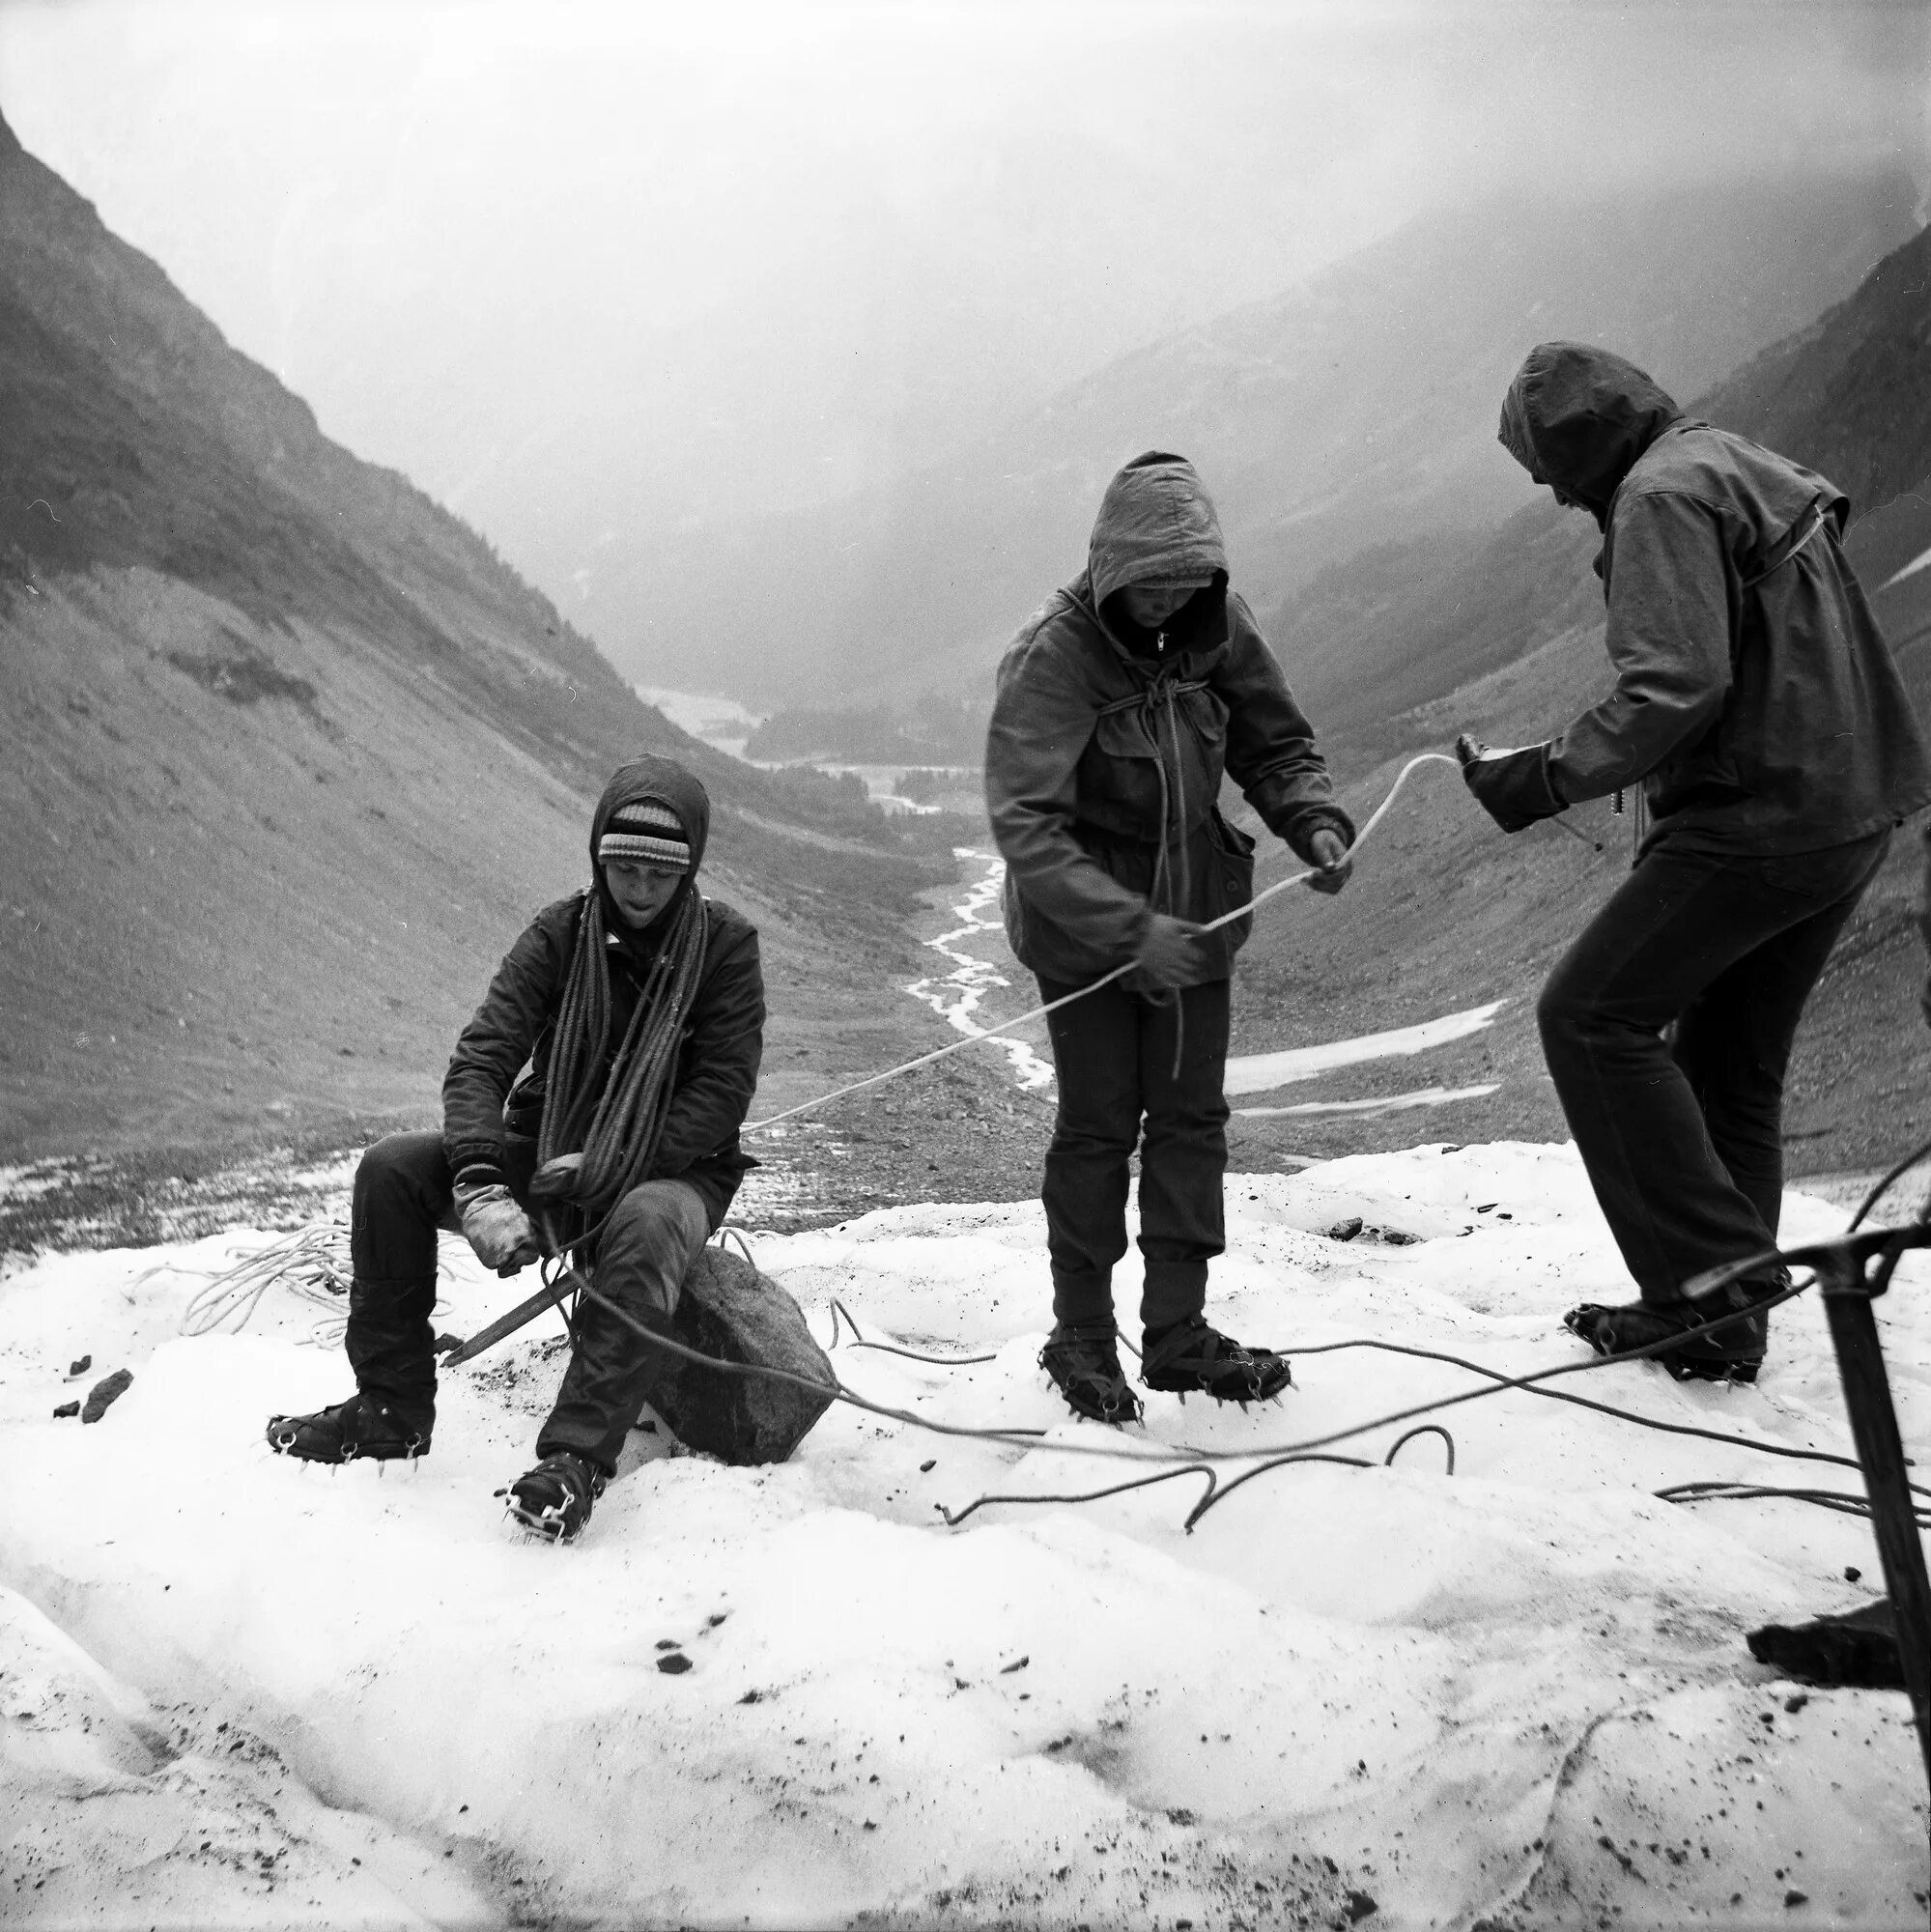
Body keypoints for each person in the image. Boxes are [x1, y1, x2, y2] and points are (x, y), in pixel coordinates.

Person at [1462, 341, 1931, 1381]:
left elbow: (1675, 686)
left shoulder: (1657, 498)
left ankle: (1711, 1281)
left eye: (1547, 471)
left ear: (1580, 449)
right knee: (1729, 1065)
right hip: (1850, 803)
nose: (1551, 496)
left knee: (1587, 1015)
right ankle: (1721, 1323)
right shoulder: (1724, 457)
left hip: (1760, 814)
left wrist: (1537, 776)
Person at [268, 755, 764, 1540]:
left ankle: (574, 1462)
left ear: (689, 871)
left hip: (675, 1167)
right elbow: (483, 1059)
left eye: (656, 876)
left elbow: (721, 1093)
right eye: (622, 868)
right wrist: (479, 1180)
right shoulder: (559, 933)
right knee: (393, 1169)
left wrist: (609, 1166)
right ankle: (390, 1407)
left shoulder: (725, 949)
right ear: (599, 857)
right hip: (550, 1141)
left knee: (642, 1221)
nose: (637, 889)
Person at [986, 449, 1354, 1424]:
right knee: (1099, 1128)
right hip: (1086, 946)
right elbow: (1025, 823)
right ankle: (1080, 1335)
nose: (1169, 603)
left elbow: (1274, 740)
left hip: (1198, 923)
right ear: (1111, 569)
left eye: (1188, 584)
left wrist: (1311, 818)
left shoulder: (1215, 622)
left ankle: (1178, 1336)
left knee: (1189, 1126)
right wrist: (1125, 931)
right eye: (1152, 587)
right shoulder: (1051, 658)